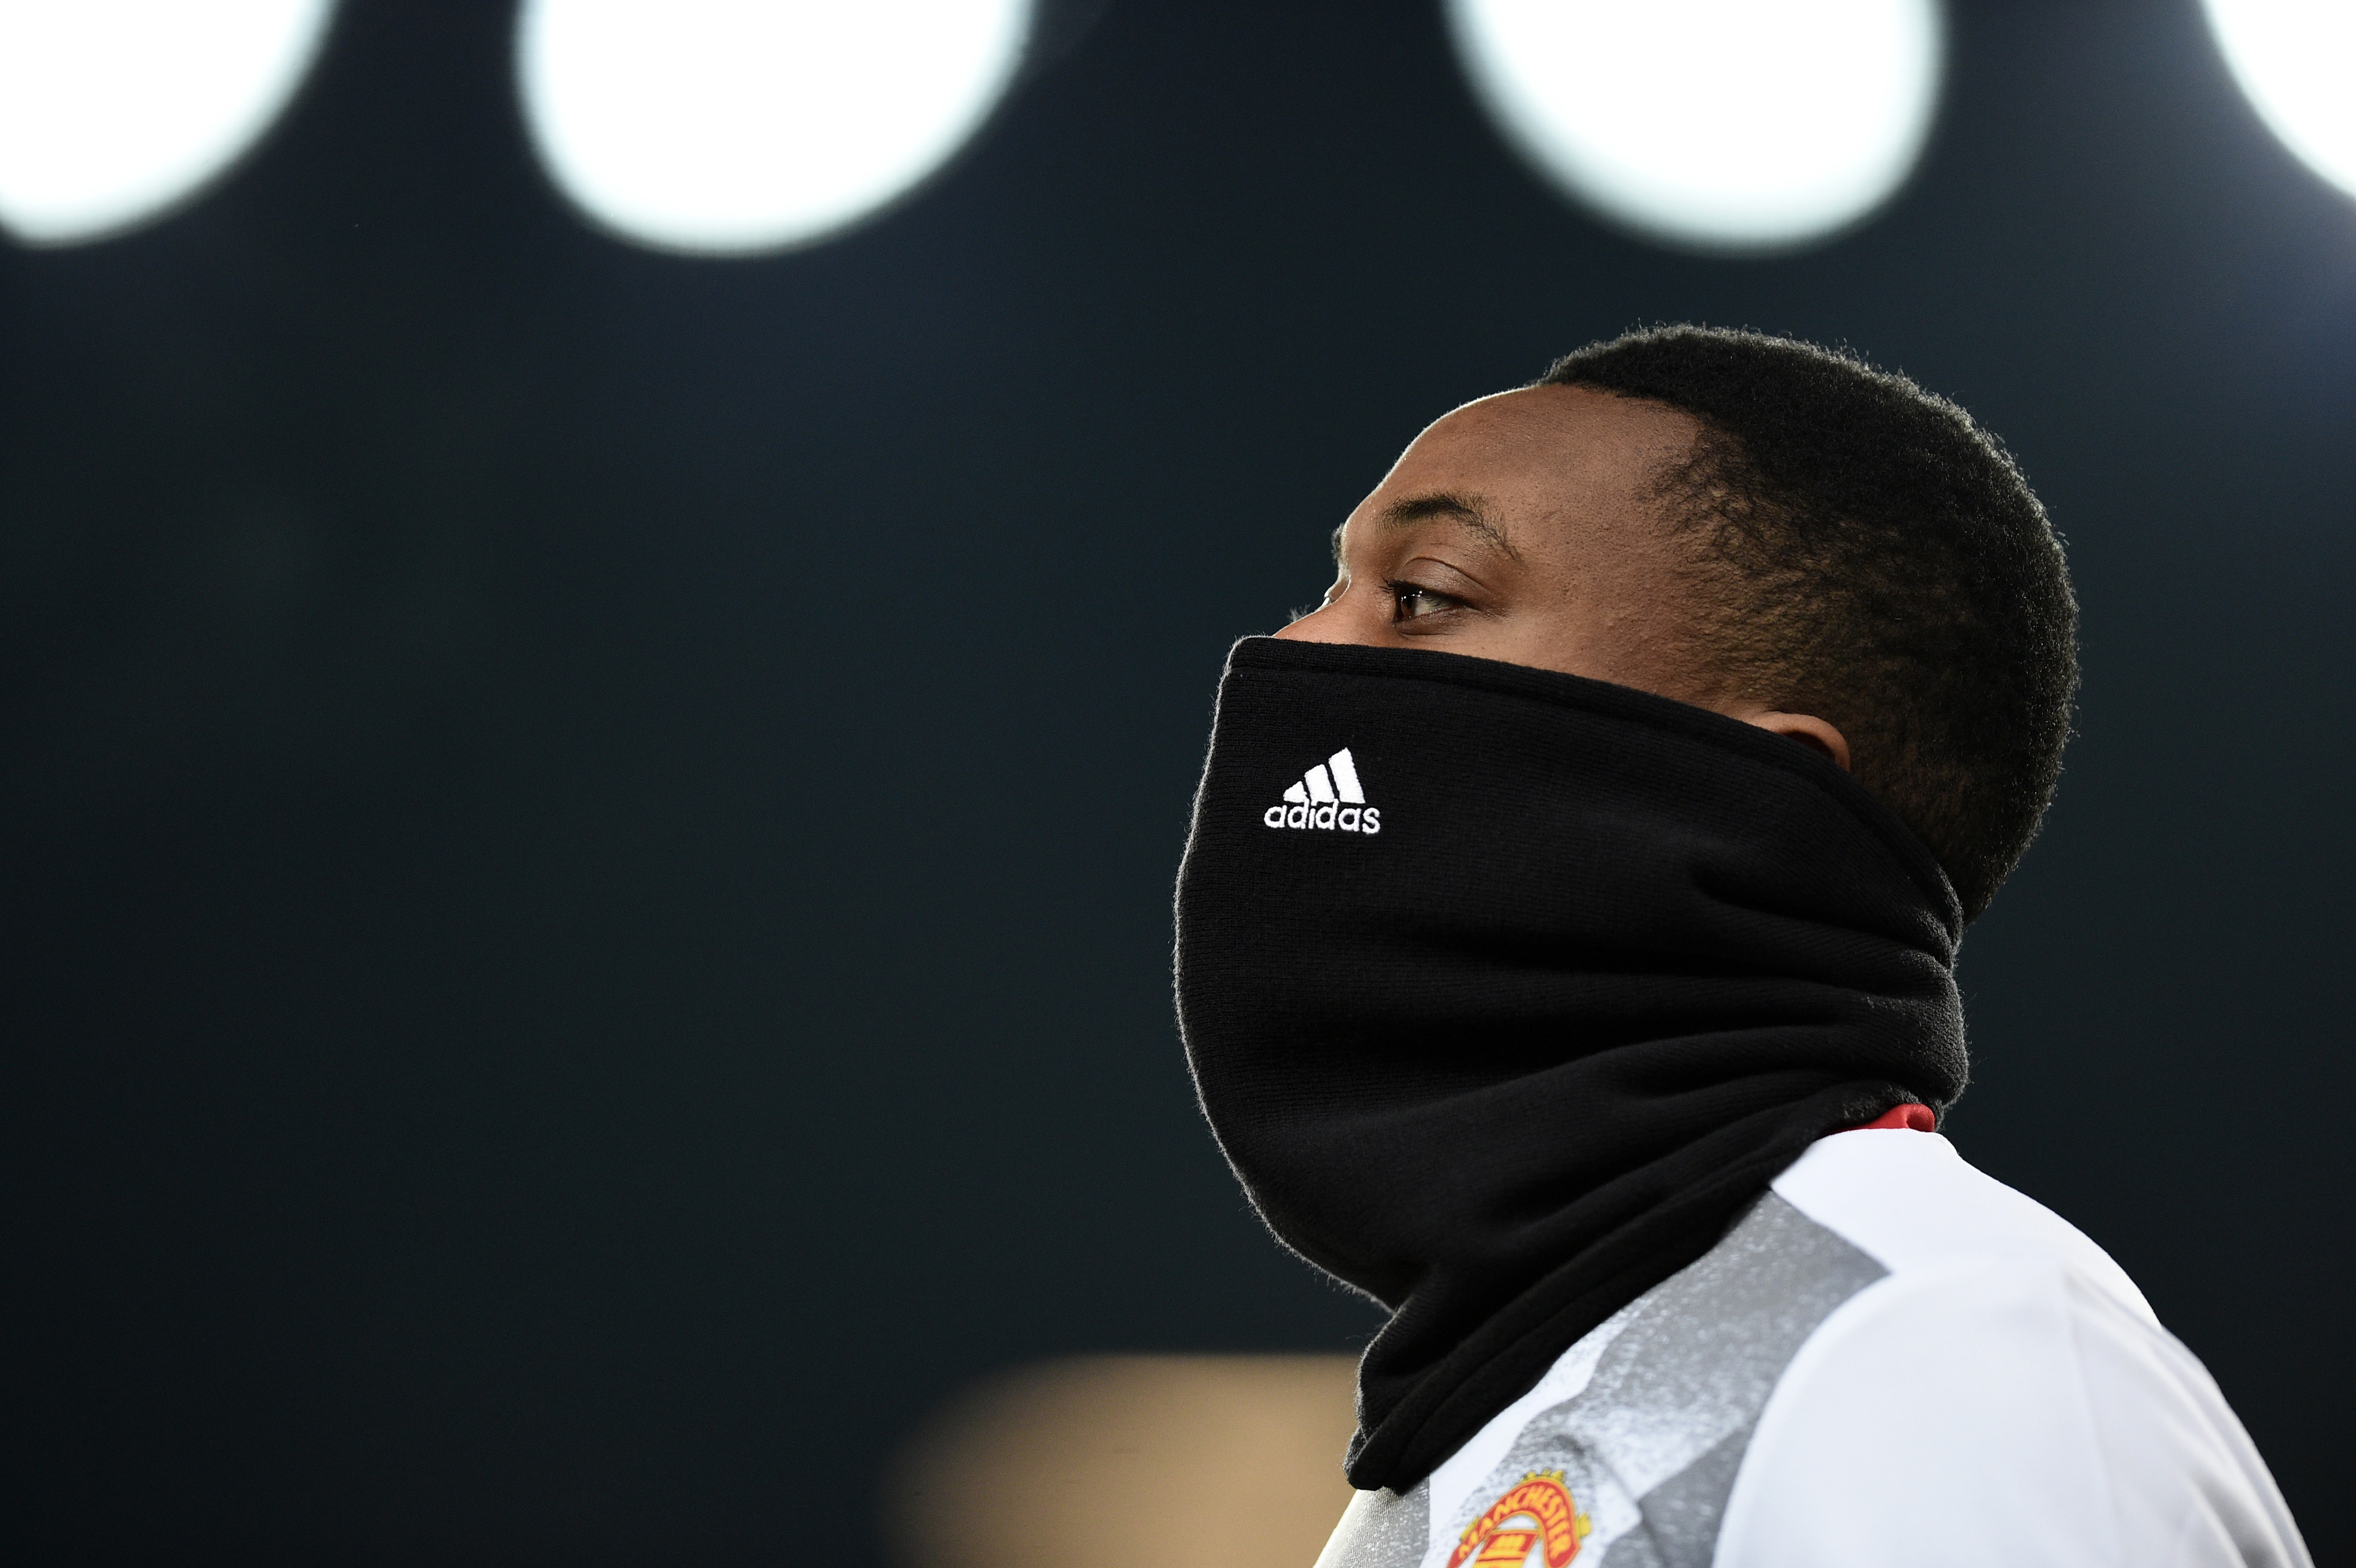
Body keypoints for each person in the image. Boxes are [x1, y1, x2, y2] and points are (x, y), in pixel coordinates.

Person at [1170, 326, 2308, 1568]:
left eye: (1425, 597)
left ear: (1751, 793)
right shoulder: (1494, 1413)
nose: (1294, 658)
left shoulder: (1929, 1351)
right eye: (1327, 589)